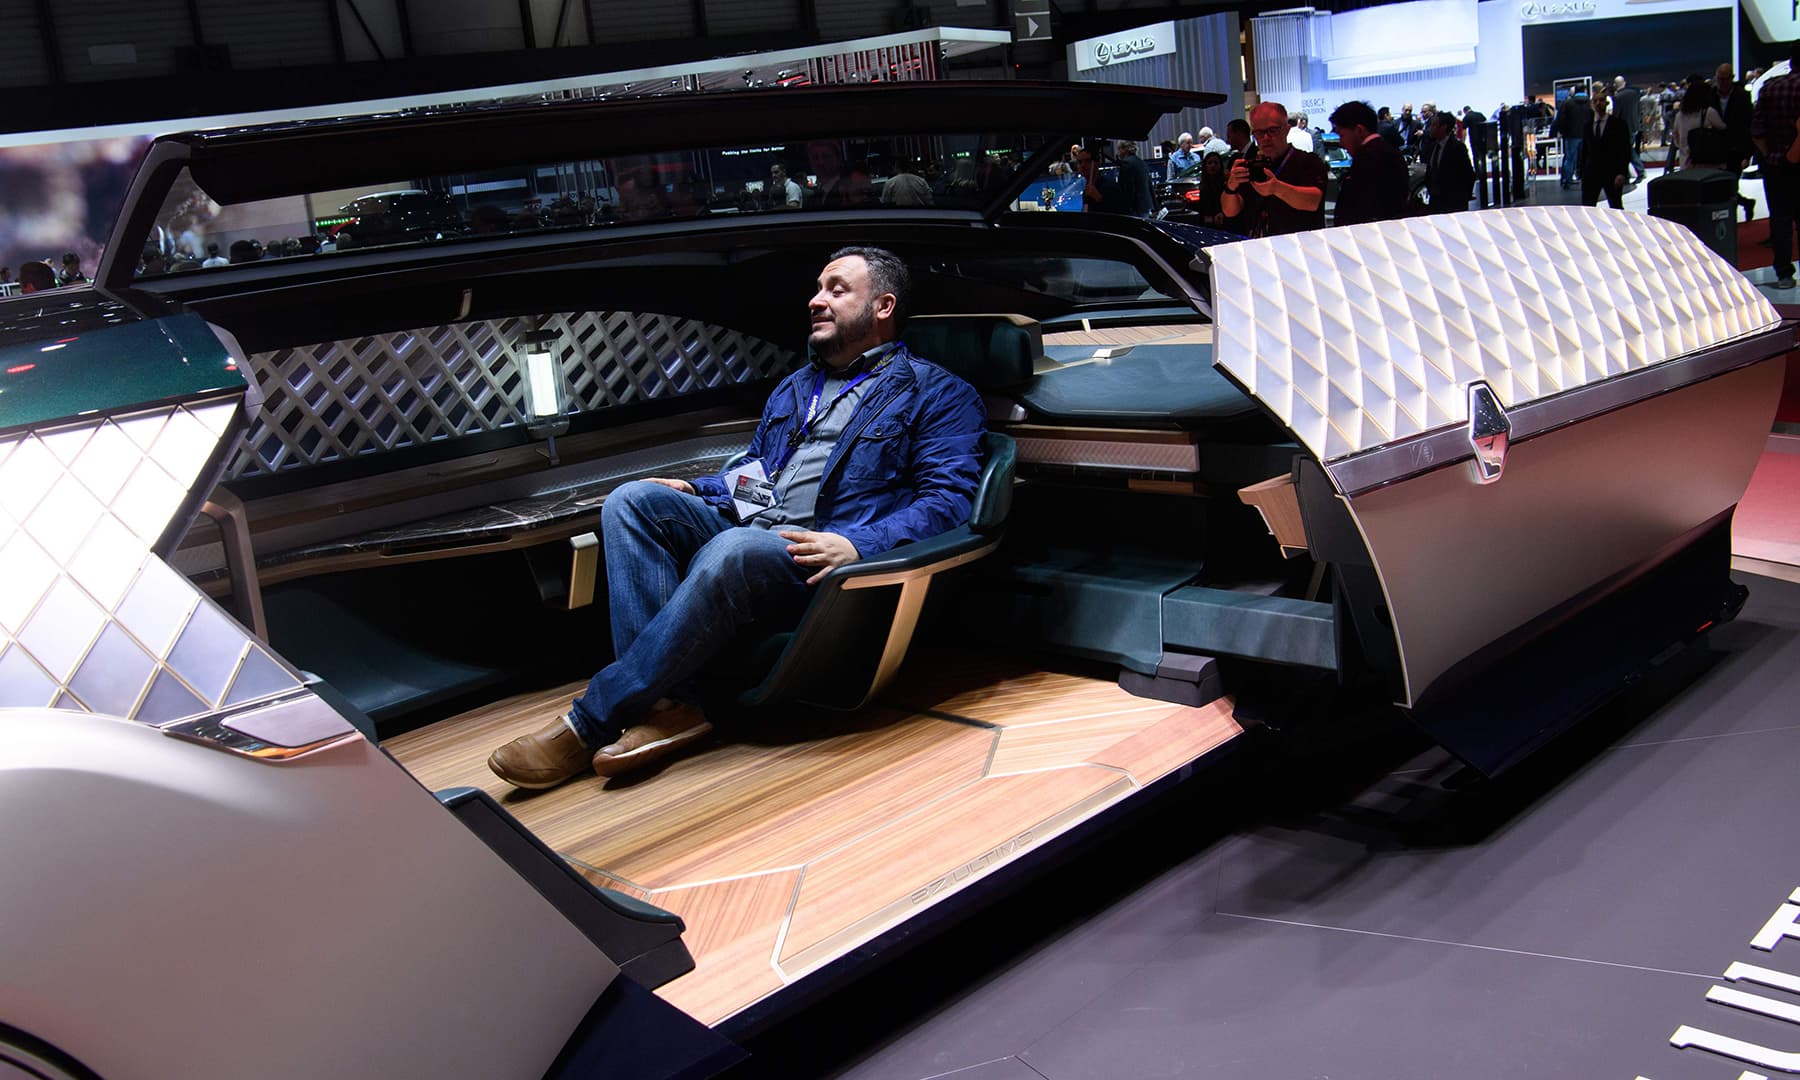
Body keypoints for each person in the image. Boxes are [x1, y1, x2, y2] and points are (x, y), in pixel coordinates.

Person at [486, 246, 985, 788]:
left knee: (734, 548)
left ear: (883, 307)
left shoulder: (937, 393)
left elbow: (949, 502)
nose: (816, 300)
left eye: (836, 289)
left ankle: (588, 723)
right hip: (755, 534)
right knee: (632, 500)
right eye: (817, 288)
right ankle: (671, 707)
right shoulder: (796, 388)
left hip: (821, 561)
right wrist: (697, 489)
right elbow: (759, 479)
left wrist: (859, 544)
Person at [1220, 101, 1328, 238]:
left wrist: (1276, 188)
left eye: (1272, 131)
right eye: (1259, 133)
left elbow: (1313, 201)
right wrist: (1231, 187)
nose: (1265, 138)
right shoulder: (1252, 165)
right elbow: (1230, 211)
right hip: (1259, 244)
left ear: (1287, 129)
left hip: (1300, 244)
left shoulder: (1308, 161)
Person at [1754, 43, 1800, 288]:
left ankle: (1784, 274)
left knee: (1780, 219)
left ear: (1790, 61)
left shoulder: (1769, 87)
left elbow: (1756, 130)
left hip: (1776, 165)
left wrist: (1770, 155)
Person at [1330, 100, 1409, 226]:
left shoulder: (1368, 157)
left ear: (1359, 130)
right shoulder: (1390, 151)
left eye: (1342, 135)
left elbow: (1364, 206)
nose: (1341, 143)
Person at [1715, 63, 1757, 220]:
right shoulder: (1711, 95)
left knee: (1731, 185)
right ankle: (1745, 204)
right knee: (1720, 186)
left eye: (1724, 79)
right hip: (1716, 150)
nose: (1721, 83)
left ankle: (1731, 219)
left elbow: (1748, 125)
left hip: (1736, 150)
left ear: (1731, 78)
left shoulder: (1742, 96)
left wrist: (1747, 154)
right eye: (1719, 79)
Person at [1582, 86, 1631, 209]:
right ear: (1592, 104)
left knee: (1616, 206)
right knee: (1588, 207)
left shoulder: (1618, 124)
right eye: (1595, 101)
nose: (1598, 103)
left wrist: (1622, 173)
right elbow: (1585, 150)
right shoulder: (1587, 126)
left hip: (1612, 173)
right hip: (1591, 173)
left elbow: (1625, 150)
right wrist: (1582, 173)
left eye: (1601, 100)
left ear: (1607, 103)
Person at [1669, 76, 1726, 171]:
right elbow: (1723, 128)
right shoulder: (1708, 112)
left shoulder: (1680, 115)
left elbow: (1676, 137)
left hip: (1686, 164)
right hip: (1708, 165)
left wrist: (1684, 147)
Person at [1423, 110, 1475, 214]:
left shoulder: (1457, 148)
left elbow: (1468, 174)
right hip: (1435, 202)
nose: (1431, 128)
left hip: (1453, 203)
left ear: (1443, 127)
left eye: (1434, 125)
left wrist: (1463, 198)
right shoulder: (1432, 147)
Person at [1612, 76, 1647, 183]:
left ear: (1615, 85)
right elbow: (1639, 109)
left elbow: (1616, 114)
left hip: (1623, 128)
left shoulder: (1618, 97)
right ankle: (1627, 175)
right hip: (1634, 125)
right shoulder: (1634, 94)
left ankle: (1640, 171)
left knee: (1627, 151)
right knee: (1626, 151)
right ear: (1624, 82)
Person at [1554, 90, 1591, 189]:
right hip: (1586, 134)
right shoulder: (1590, 102)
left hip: (1571, 135)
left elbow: (1561, 119)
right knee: (1586, 158)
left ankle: (1567, 180)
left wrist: (1561, 131)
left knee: (1569, 158)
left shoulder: (1567, 103)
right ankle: (1586, 179)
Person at [1113, 140, 1154, 218]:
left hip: (1134, 207)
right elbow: (1149, 185)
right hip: (1145, 205)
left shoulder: (1126, 163)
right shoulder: (1142, 162)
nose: (1118, 152)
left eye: (1119, 149)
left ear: (1124, 149)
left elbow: (1127, 188)